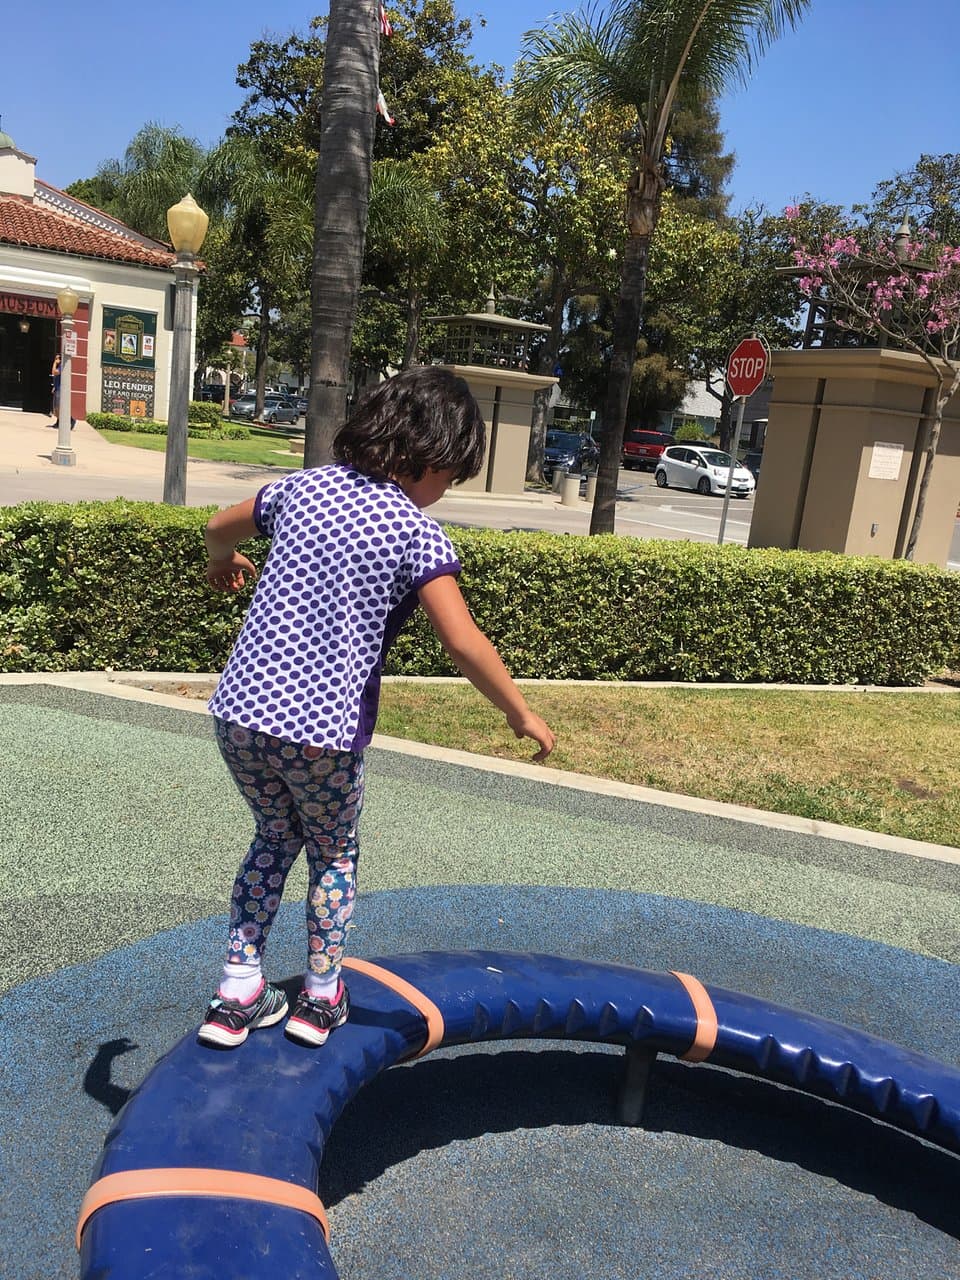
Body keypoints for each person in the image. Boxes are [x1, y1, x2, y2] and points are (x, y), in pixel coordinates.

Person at [198, 366, 556, 1050]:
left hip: (240, 714)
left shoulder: (299, 490)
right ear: (427, 461)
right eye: (449, 477)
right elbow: (462, 639)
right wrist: (519, 711)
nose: (443, 494)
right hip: (322, 733)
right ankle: (322, 995)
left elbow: (218, 526)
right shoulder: (416, 534)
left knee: (275, 837)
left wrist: (224, 559)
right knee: (334, 853)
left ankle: (238, 987)